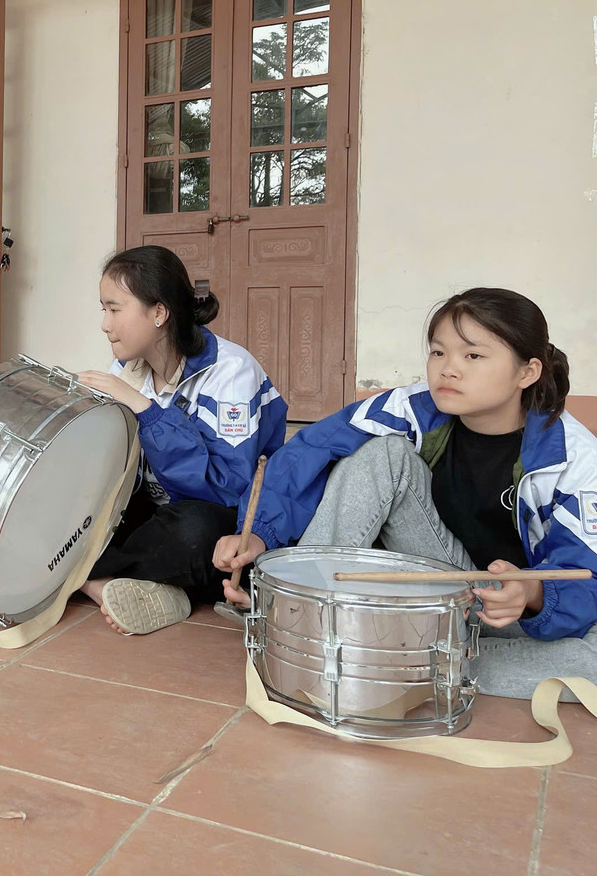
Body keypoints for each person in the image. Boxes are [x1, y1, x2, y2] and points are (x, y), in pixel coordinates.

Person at [213, 288, 597, 699]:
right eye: (438, 353)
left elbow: (586, 574)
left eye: (473, 356)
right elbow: (309, 452)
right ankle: (301, 621)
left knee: (588, 663)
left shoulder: (572, 457)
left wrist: (533, 592)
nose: (448, 370)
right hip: (438, 587)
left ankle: (390, 655)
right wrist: (261, 536)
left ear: (527, 372)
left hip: (513, 610)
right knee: (383, 454)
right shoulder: (412, 407)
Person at [71, 246, 287, 635]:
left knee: (193, 535)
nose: (105, 324)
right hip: (155, 510)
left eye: (115, 309)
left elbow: (225, 488)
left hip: (218, 518)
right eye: (103, 309)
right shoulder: (128, 367)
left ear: (158, 313)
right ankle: (124, 583)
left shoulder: (231, 372)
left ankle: (76, 576)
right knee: (70, 509)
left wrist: (146, 410)